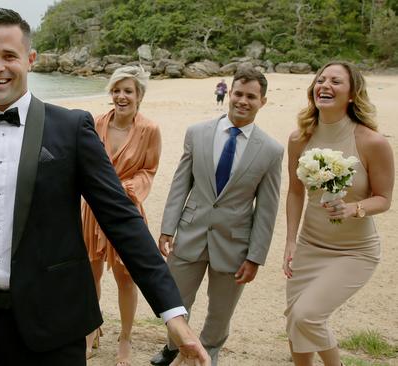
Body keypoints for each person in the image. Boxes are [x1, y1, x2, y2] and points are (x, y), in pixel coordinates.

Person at [0, 8, 210, 366]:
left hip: (57, 326)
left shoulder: (71, 128)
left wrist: (172, 313)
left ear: (30, 60)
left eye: (9, 56)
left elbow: (122, 220)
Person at [150, 67, 283, 366]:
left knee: (221, 310)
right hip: (190, 233)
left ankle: (209, 350)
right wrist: (168, 228)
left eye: (251, 96)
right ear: (229, 93)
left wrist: (256, 256)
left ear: (263, 101)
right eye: (238, 93)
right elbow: (180, 183)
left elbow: (267, 208)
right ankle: (173, 346)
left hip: (235, 244)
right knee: (177, 300)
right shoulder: (197, 133)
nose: (243, 101)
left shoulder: (272, 150)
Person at [283, 61, 394, 366]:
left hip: (354, 251)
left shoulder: (372, 142)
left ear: (352, 95)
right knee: (295, 322)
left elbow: (383, 199)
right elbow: (295, 192)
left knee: (308, 316)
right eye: (320, 80)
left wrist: (352, 209)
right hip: (309, 245)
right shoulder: (299, 139)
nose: (325, 85)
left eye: (335, 81)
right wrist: (291, 241)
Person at [81, 65, 161, 364]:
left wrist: (127, 187)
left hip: (127, 208)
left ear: (139, 95)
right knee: (91, 274)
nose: (121, 96)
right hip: (92, 208)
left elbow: (149, 170)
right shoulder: (96, 123)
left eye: (127, 91)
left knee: (126, 277)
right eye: (116, 90)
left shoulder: (149, 129)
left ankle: (125, 337)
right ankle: (91, 328)